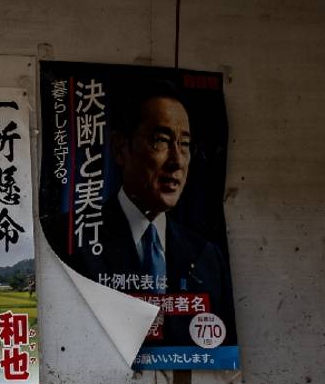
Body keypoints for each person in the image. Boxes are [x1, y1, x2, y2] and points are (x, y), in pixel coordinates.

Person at [74, 82, 236, 344]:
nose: (177, 161)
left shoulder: (207, 257)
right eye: (160, 140)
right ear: (121, 148)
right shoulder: (75, 242)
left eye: (185, 144)